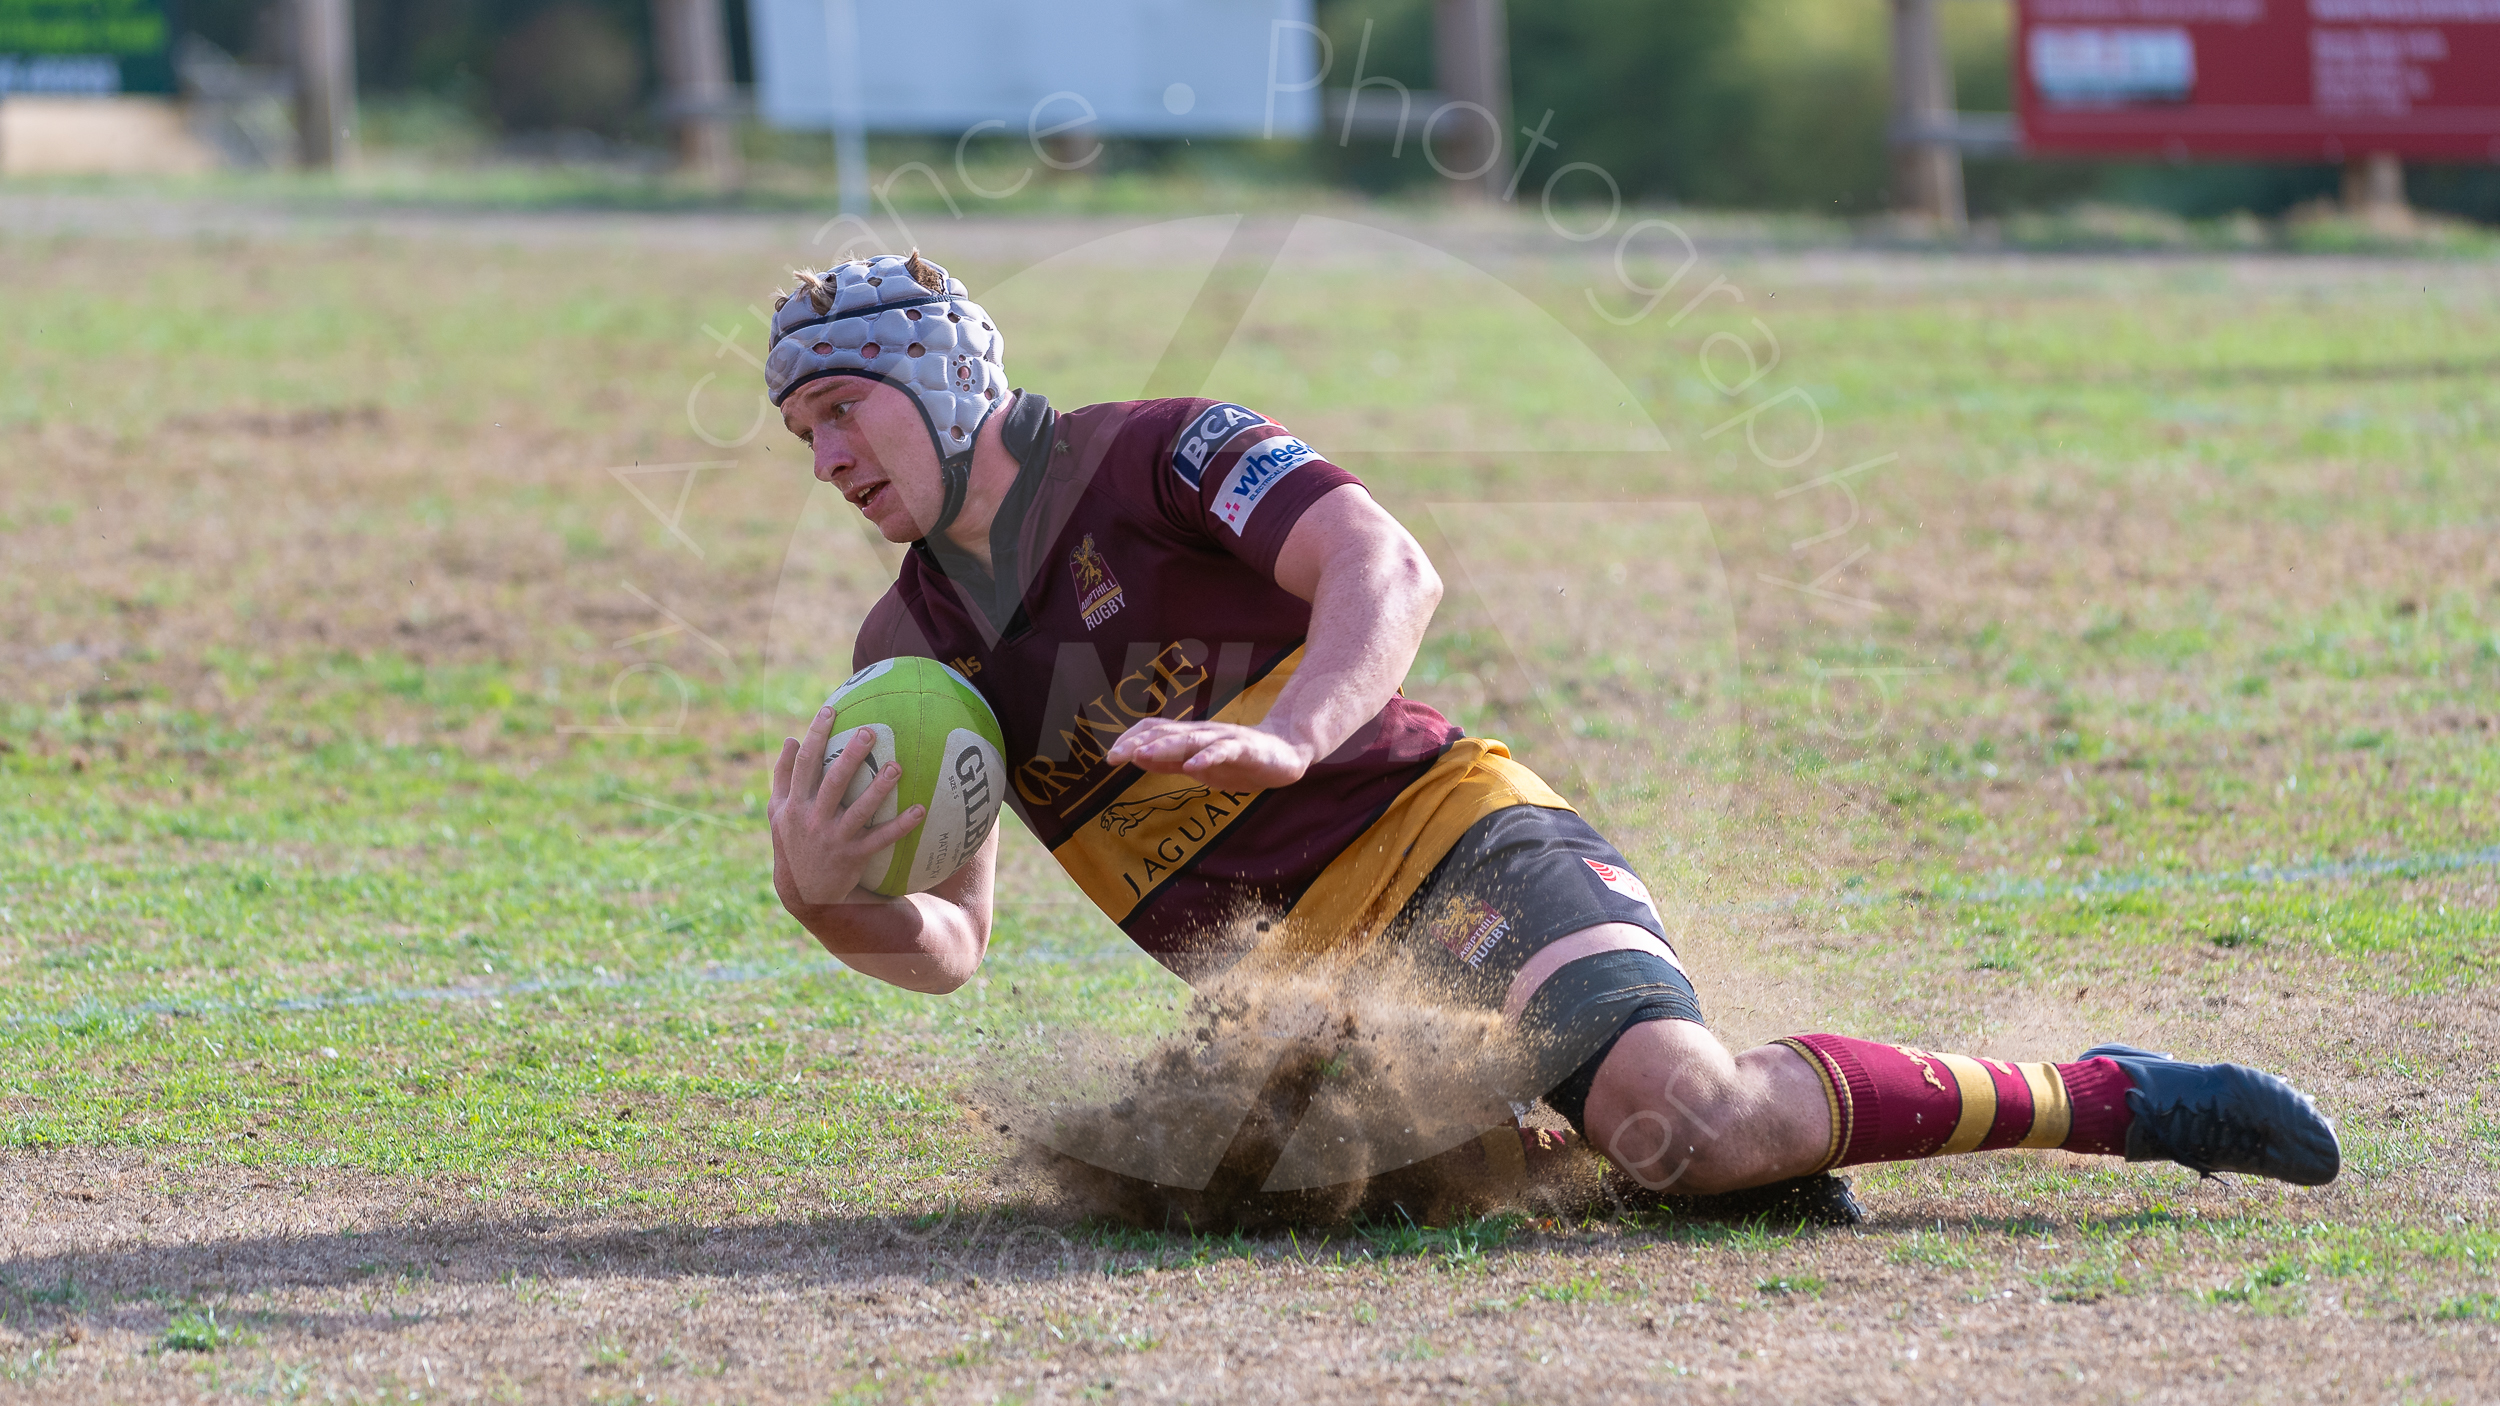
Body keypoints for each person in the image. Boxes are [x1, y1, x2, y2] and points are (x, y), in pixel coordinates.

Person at [763, 251, 2339, 1216]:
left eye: (846, 406)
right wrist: (832, 899)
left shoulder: (1168, 453)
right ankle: (1686, 1160)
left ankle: (2112, 1096)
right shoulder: (911, 652)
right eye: (802, 434)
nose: (827, 454)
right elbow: (952, 945)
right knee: (1347, 1192)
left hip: (1451, 842)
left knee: (1694, 1121)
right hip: (1314, 1002)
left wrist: (1300, 733)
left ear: (946, 376)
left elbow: (1387, 565)